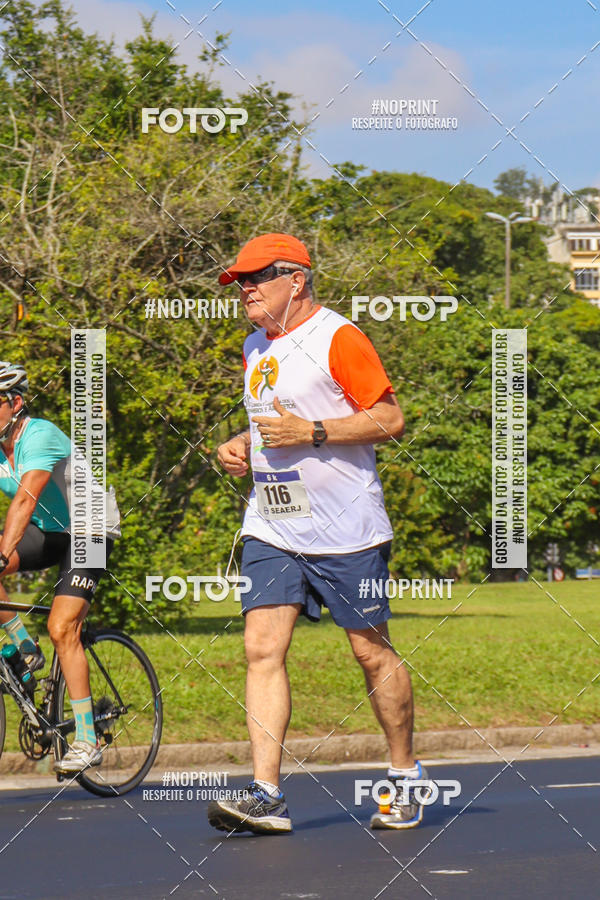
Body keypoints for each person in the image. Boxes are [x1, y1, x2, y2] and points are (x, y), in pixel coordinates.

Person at [207, 233, 429, 835]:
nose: (245, 291)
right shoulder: (257, 346)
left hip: (346, 529)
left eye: (256, 279)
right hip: (273, 524)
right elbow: (272, 424)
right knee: (261, 648)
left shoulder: (339, 336)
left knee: (368, 650)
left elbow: (390, 418)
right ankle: (266, 794)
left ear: (295, 280)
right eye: (239, 283)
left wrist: (316, 432)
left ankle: (405, 776)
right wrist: (242, 444)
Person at [0, 362, 121, 772]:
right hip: (51, 530)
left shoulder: (40, 436)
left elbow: (24, 500)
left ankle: (87, 739)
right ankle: (25, 650)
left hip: (90, 527)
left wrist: (4, 554)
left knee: (61, 627)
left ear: (15, 403)